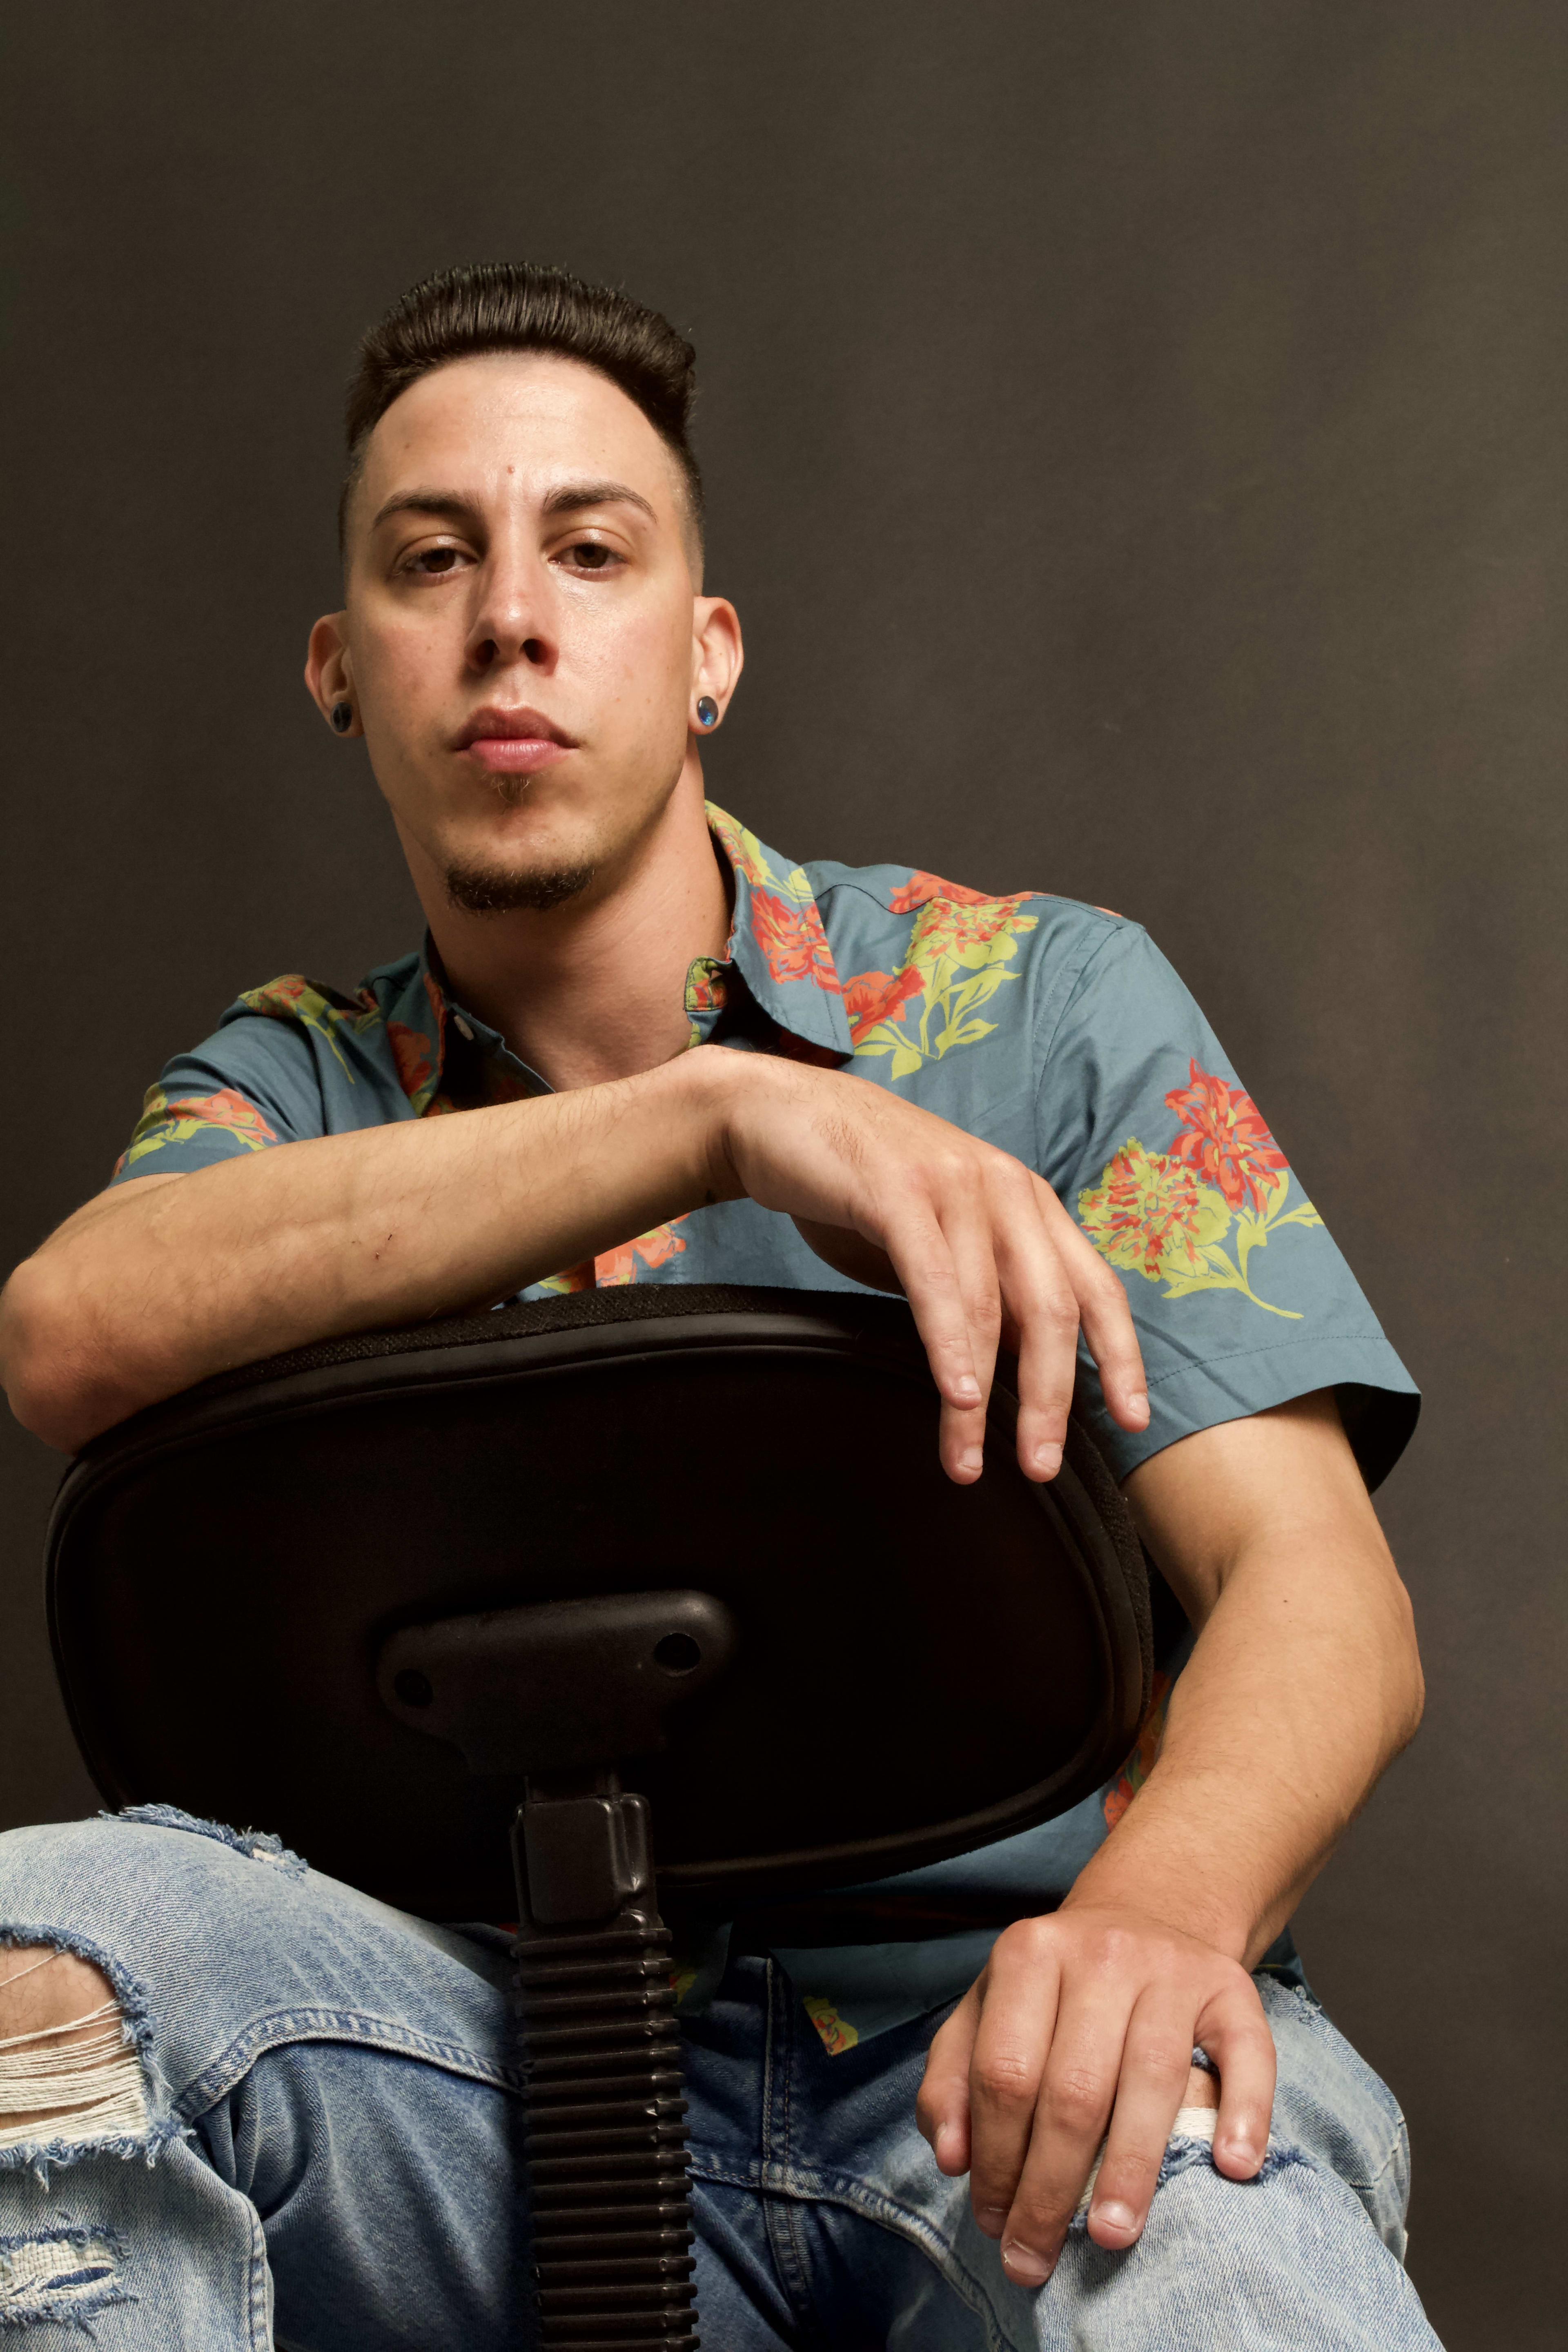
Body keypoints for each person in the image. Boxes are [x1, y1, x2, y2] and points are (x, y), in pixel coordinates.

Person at [0, 263, 1440, 2349]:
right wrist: (715, 1122)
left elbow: (1328, 1597)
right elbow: (72, 1329)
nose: (513, 613)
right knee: (54, 1961)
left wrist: (1152, 1924)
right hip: (467, 2082)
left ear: (706, 653)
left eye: (591, 549)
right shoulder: (298, 1085)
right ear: (343, 668)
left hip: (999, 2054)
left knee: (1213, 2241)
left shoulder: (1031, 1009)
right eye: (435, 560)